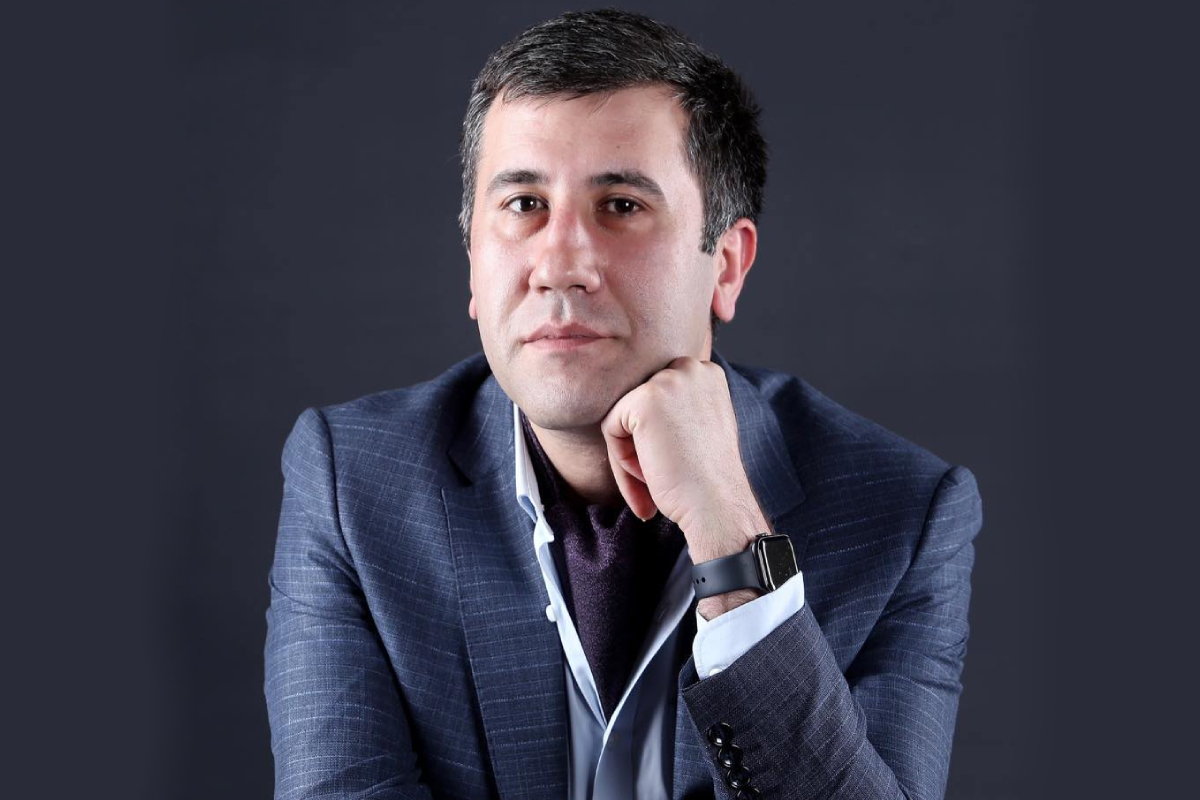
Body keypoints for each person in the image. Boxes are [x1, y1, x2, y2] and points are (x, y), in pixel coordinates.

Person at [264, 9, 983, 800]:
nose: (559, 265)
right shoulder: (353, 486)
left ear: (727, 265)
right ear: (472, 260)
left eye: (622, 206)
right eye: (524, 204)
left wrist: (733, 539)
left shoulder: (904, 517)